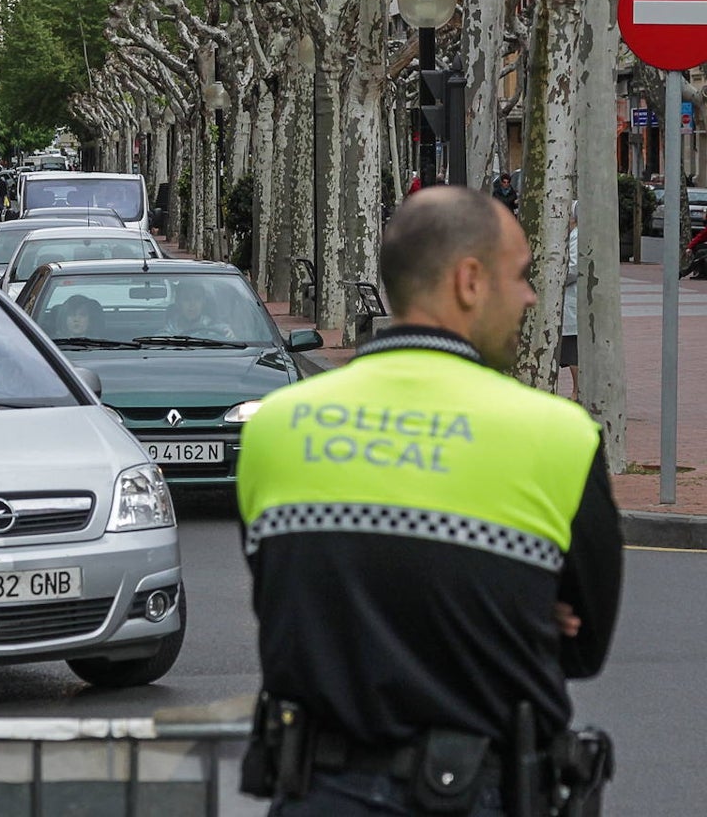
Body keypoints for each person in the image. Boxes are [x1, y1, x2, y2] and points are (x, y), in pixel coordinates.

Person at [236, 187, 623, 816]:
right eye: (521, 276)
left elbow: (292, 591)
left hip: (316, 793)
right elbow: (581, 648)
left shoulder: (276, 427)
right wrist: (515, 602)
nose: (530, 297)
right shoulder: (560, 437)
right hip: (482, 793)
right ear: (470, 281)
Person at [164, 279, 234, 338]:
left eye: (197, 298)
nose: (192, 304)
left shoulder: (218, 329)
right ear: (178, 302)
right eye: (186, 299)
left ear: (203, 302)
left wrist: (230, 336)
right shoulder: (167, 332)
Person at [562, 201, 579, 401]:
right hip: (572, 298)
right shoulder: (573, 235)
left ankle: (577, 391)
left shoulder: (576, 236)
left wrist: (556, 279)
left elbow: (573, 267)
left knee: (572, 348)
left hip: (572, 297)